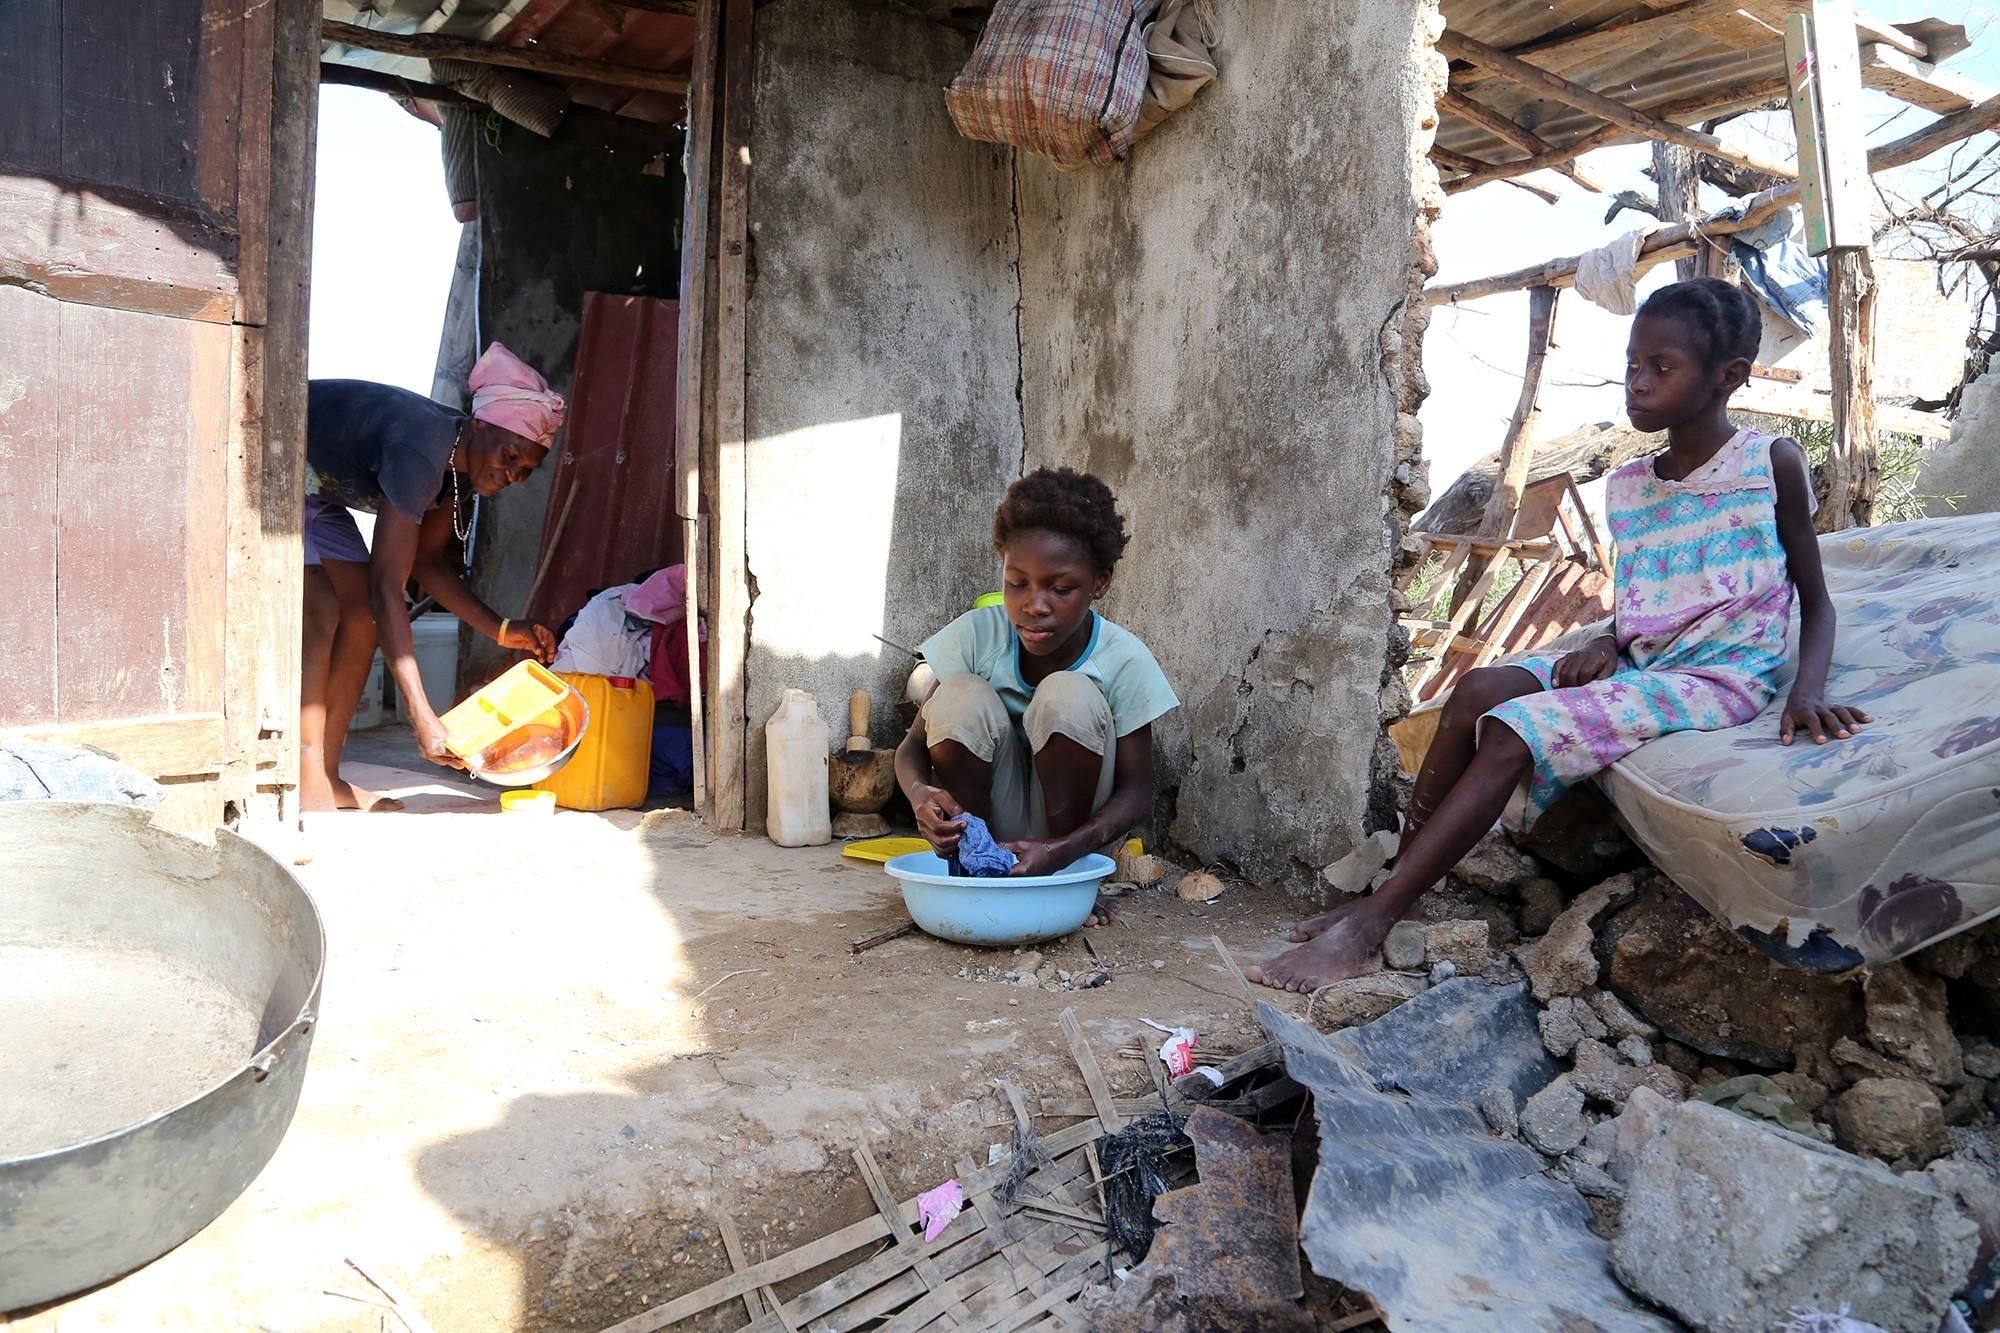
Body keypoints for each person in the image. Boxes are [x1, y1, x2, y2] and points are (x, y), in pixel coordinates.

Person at [1250, 277, 1872, 991]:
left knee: (1514, 727)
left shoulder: (1771, 465)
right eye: (1632, 364)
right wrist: (1609, 642)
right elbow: (1649, 603)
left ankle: (1370, 926)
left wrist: (1807, 690)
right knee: (1477, 688)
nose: (1636, 384)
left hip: (1718, 680)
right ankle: (1400, 885)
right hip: (1644, 665)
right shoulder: (1631, 485)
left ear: (1728, 378)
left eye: (1659, 369)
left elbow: (1816, 601)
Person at [895, 469, 1178, 913]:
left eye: (1060, 588)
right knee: (957, 696)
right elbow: (911, 746)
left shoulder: (1123, 659)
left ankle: (1066, 881)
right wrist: (918, 795)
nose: (1034, 604)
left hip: (1070, 839)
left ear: (1099, 582)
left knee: (1067, 694)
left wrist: (1065, 851)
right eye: (1016, 583)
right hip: (992, 817)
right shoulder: (977, 637)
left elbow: (1137, 791)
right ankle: (978, 865)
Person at [301, 342, 565, 812]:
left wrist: (504, 631)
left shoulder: (460, 472)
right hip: (279, 461)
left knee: (361, 618)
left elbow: (424, 564)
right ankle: (305, 777)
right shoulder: (422, 447)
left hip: (320, 494)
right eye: (510, 456)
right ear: (480, 425)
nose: (512, 474)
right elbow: (389, 585)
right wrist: (422, 716)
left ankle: (328, 775)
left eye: (526, 470)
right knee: (325, 609)